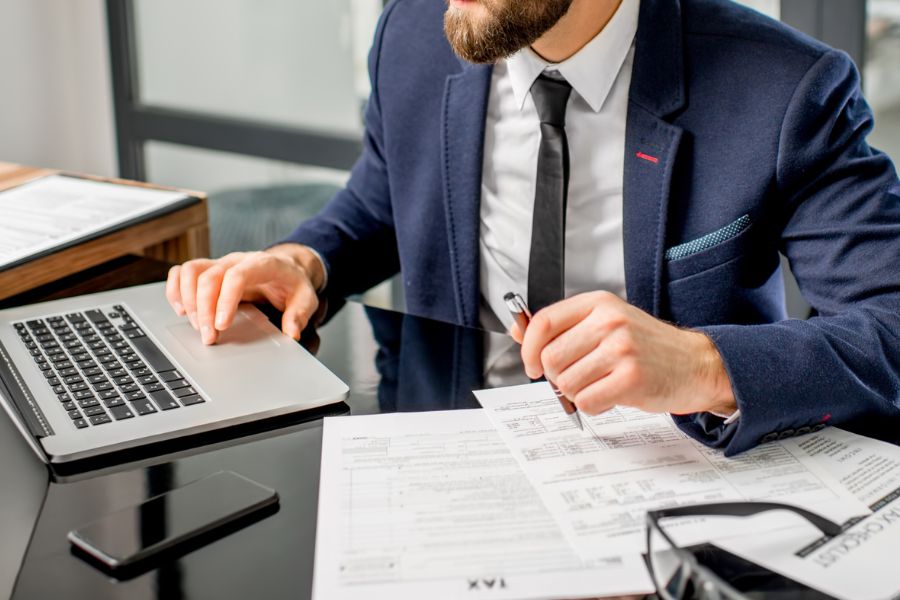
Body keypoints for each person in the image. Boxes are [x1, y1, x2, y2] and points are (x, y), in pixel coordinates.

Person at [166, 0, 900, 455]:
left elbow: (891, 324)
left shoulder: (784, 87)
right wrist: (306, 259)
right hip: (439, 455)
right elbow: (383, 199)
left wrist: (701, 365)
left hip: (671, 481)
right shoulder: (413, 35)